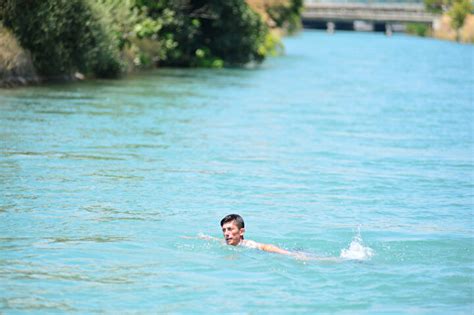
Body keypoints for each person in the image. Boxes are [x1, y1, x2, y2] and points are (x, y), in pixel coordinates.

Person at [220, 214, 291, 255]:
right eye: (224, 230)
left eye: (230, 229)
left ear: (241, 232)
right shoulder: (225, 243)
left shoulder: (249, 244)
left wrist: (289, 253)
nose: (226, 233)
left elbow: (266, 247)